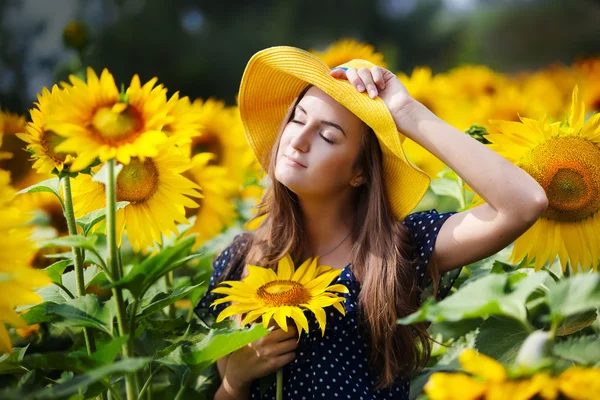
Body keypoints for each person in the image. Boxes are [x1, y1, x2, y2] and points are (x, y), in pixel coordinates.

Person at [195, 46, 548, 400]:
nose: (299, 141)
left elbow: (523, 204)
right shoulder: (241, 260)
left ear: (359, 172)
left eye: (327, 136)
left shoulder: (398, 250)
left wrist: (406, 111)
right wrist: (234, 381)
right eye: (298, 120)